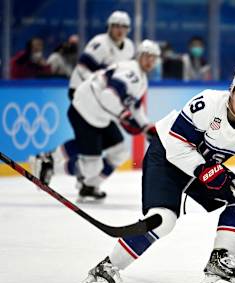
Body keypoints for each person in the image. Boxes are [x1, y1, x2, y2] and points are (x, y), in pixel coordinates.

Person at [81, 63, 235, 283]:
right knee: (164, 220)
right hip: (166, 155)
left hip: (202, 167)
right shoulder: (208, 103)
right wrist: (204, 170)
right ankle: (107, 267)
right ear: (232, 89)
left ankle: (219, 261)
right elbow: (177, 145)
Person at [30, 40, 160, 202]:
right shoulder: (131, 73)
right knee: (92, 166)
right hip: (86, 109)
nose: (150, 61)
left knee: (119, 152)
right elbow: (108, 96)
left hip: (99, 113)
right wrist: (125, 117)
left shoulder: (141, 78)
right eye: (147, 56)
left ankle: (87, 185)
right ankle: (53, 167)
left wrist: (145, 126)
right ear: (139, 56)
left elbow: (135, 106)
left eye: (154, 58)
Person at [30, 11, 136, 196]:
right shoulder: (100, 44)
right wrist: (101, 87)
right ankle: (68, 171)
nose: (119, 30)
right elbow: (82, 69)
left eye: (123, 27)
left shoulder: (129, 48)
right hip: (83, 95)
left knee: (114, 148)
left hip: (101, 103)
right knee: (92, 151)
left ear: (128, 29)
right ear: (109, 27)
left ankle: (67, 170)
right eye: (116, 26)